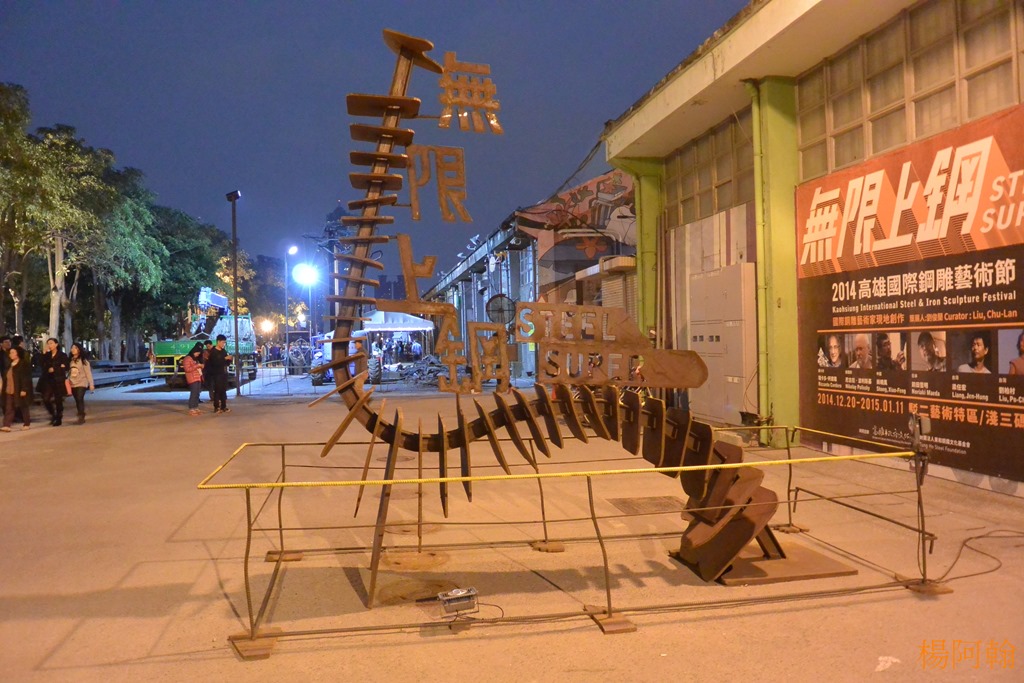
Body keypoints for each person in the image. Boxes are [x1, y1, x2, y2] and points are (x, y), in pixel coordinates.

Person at [37, 337, 69, 426]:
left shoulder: (62, 355)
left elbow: (65, 366)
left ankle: (59, 417)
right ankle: (53, 414)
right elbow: (41, 364)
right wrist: (43, 353)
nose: (49, 345)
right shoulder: (47, 355)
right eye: (48, 343)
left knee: (58, 399)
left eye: (51, 343)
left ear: (56, 344)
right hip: (48, 380)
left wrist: (55, 368)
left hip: (58, 379)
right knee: (45, 399)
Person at [2, 346, 32, 431]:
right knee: (9, 408)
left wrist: (24, 389)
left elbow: (26, 378)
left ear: (18, 353)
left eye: (13, 352)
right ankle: (7, 425)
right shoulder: (9, 365)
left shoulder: (23, 364)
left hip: (19, 388)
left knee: (23, 406)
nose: (10, 354)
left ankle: (26, 423)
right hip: (9, 389)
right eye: (10, 353)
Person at [68, 342, 95, 424]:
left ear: (79, 350)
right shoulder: (70, 360)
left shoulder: (84, 361)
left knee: (79, 398)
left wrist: (91, 384)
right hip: (72, 382)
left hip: (82, 382)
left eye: (75, 348)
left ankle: (81, 417)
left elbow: (88, 373)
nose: (73, 350)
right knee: (77, 400)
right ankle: (80, 412)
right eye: (72, 348)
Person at [205, 334, 233, 413]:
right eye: (223, 342)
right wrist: (224, 358)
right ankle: (216, 407)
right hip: (216, 374)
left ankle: (224, 406)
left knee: (223, 390)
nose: (224, 344)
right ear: (218, 342)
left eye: (225, 342)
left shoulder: (223, 351)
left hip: (224, 373)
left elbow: (226, 362)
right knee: (217, 390)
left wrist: (229, 359)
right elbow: (215, 362)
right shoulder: (213, 352)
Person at [183, 342, 205, 416]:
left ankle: (196, 407)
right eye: (197, 353)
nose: (197, 355)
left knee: (197, 393)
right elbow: (187, 369)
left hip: (198, 377)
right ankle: (191, 408)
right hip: (192, 378)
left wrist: (201, 366)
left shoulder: (196, 359)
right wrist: (197, 366)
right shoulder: (187, 358)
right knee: (193, 393)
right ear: (193, 351)